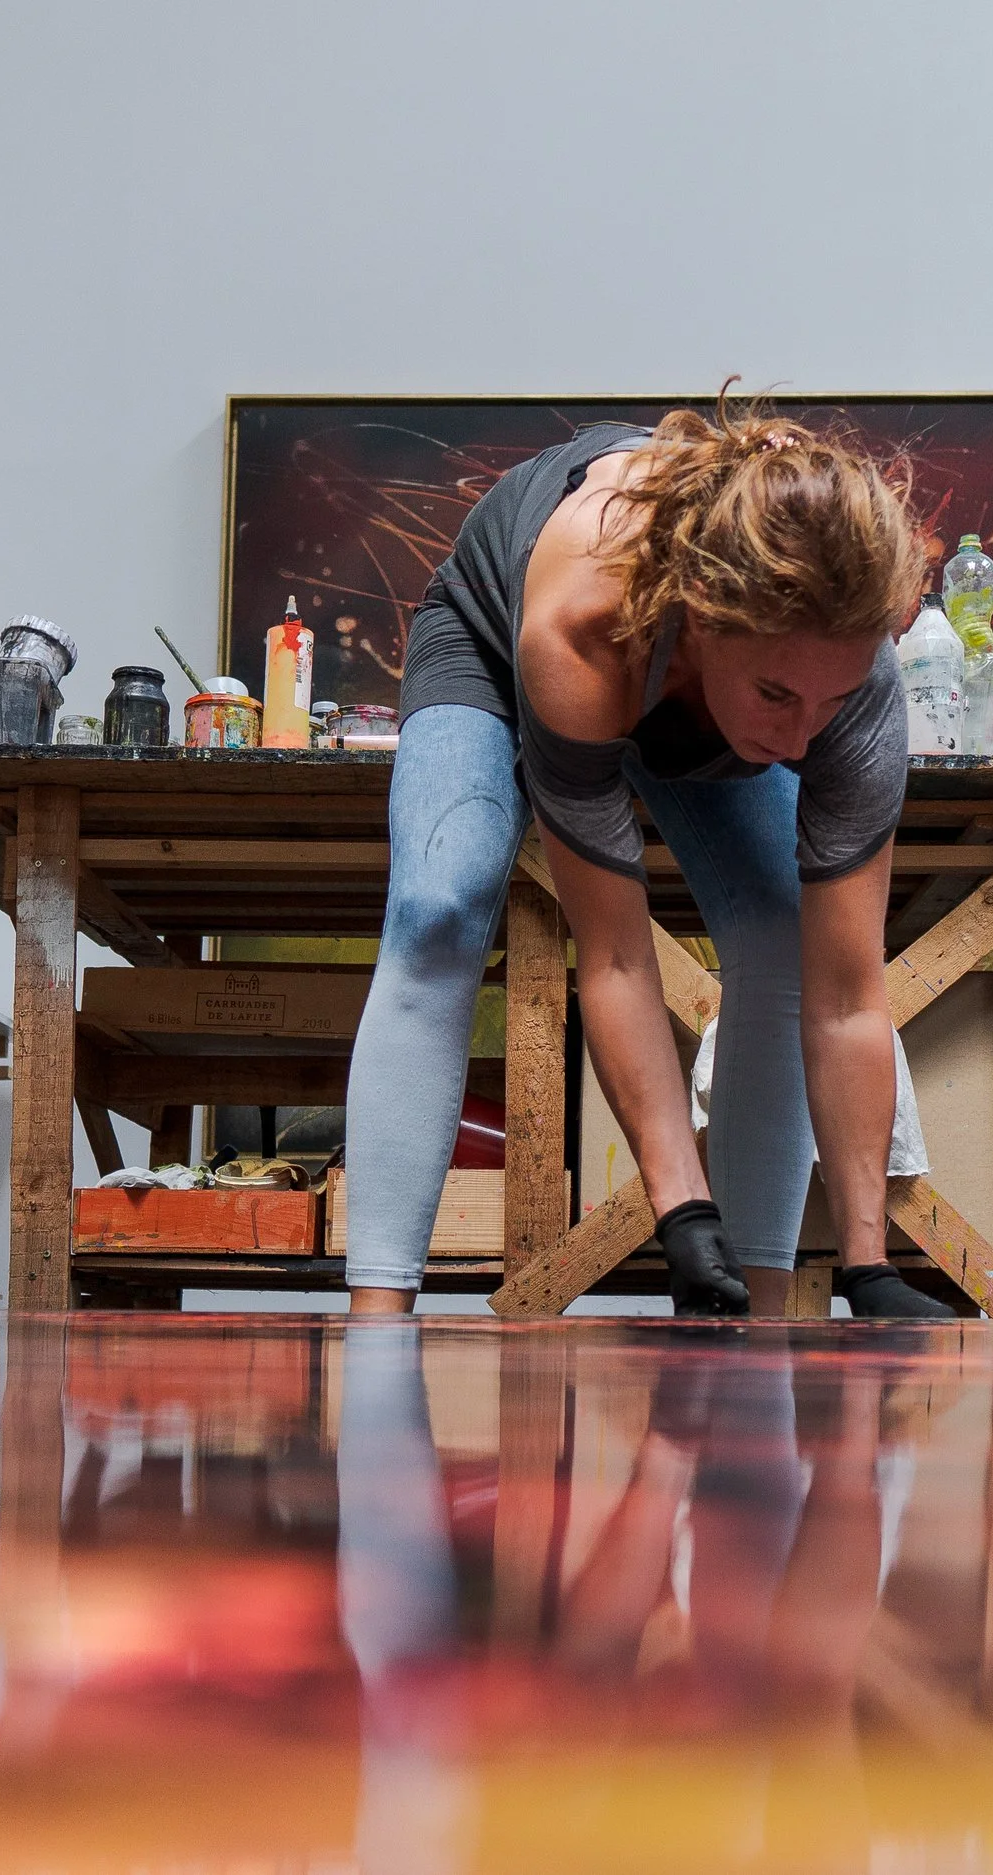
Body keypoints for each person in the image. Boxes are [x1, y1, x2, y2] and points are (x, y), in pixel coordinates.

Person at [340, 396, 953, 1319]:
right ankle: (377, 1326)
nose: (798, 740)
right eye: (778, 694)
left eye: (825, 704)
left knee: (783, 932)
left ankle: (760, 1316)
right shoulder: (582, 625)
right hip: (497, 627)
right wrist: (680, 1209)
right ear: (703, 619)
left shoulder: (851, 686)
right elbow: (617, 953)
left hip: (691, 687)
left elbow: (848, 997)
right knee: (442, 904)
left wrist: (869, 1264)